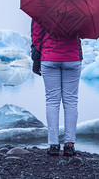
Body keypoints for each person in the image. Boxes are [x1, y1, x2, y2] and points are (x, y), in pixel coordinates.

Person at [30, 19, 83, 157]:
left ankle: (53, 145)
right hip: (72, 57)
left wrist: (36, 59)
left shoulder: (42, 7)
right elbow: (84, 31)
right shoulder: (78, 7)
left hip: (49, 57)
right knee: (71, 102)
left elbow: (36, 34)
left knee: (52, 101)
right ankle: (69, 146)